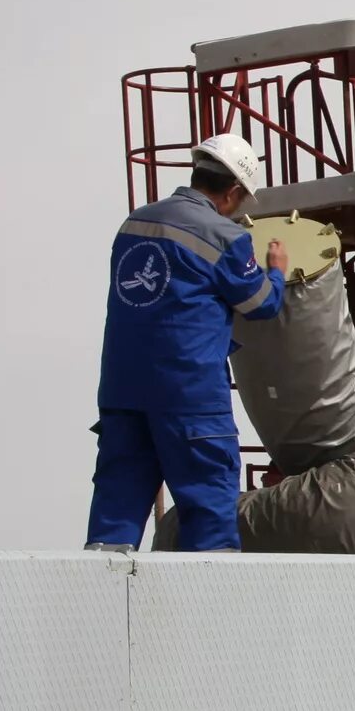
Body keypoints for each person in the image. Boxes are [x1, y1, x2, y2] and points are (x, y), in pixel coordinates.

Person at [89, 134, 291, 551]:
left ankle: (99, 604)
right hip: (190, 398)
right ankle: (210, 612)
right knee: (209, 516)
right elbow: (260, 305)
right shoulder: (225, 237)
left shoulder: (135, 222)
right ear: (233, 191)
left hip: (122, 391)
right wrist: (275, 272)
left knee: (115, 515)